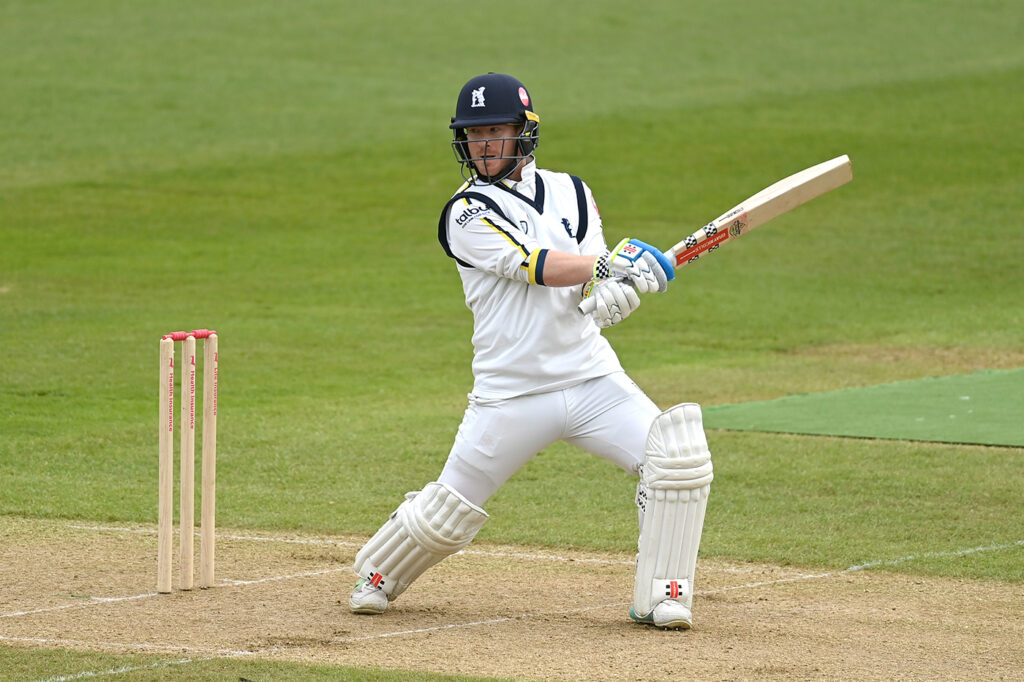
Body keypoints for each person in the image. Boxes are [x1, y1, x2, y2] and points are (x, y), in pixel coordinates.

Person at [349, 73, 713, 630]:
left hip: (592, 379)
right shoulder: (465, 213)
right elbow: (535, 265)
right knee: (449, 511)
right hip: (511, 393)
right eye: (473, 135)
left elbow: (591, 281)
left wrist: (620, 290)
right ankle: (379, 570)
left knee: (677, 459)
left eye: (495, 132)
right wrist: (607, 267)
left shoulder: (573, 191)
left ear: (525, 133)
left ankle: (662, 594)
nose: (483, 146)